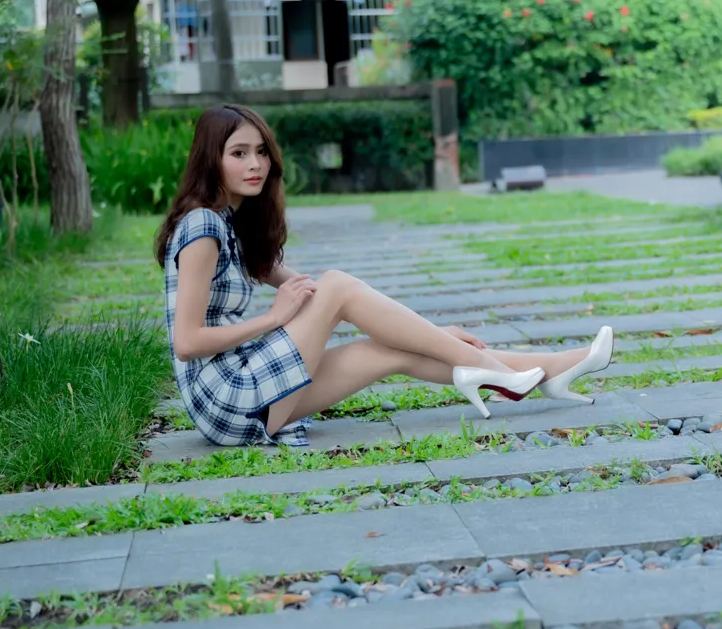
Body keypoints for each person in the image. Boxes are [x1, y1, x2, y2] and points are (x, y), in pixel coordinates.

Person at [154, 104, 613, 447]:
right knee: (335, 284)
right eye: (238, 153)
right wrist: (274, 319)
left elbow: (318, 293)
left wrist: (428, 335)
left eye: (261, 152)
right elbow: (187, 342)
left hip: (248, 394)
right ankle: (490, 370)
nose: (255, 164)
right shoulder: (202, 228)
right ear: (210, 159)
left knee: (391, 348)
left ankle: (552, 371)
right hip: (227, 400)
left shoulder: (232, 224)